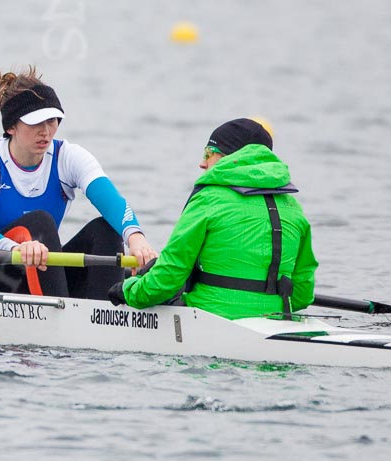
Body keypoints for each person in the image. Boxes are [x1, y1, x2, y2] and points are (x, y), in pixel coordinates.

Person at [0, 67, 155, 299]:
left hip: (38, 272)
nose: (46, 132)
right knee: (39, 223)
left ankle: (103, 314)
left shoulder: (68, 156)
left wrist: (136, 238)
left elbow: (112, 203)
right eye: (35, 123)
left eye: (52, 121)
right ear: (10, 127)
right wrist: (15, 248)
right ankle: (63, 316)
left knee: (106, 229)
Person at [112, 119, 317, 319]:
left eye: (208, 153)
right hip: (277, 318)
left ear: (229, 157)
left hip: (209, 318)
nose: (202, 163)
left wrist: (129, 289)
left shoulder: (208, 199)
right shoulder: (293, 207)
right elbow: (302, 295)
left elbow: (167, 280)